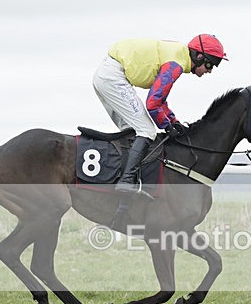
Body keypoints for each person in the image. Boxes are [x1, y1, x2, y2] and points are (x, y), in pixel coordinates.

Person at [92, 34, 227, 196]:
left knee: (132, 132)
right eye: (210, 64)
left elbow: (159, 98)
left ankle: (125, 178)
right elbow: (153, 103)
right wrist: (166, 126)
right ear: (198, 56)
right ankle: (126, 182)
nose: (210, 70)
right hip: (113, 77)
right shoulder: (175, 64)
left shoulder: (178, 56)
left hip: (107, 74)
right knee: (147, 131)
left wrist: (173, 121)